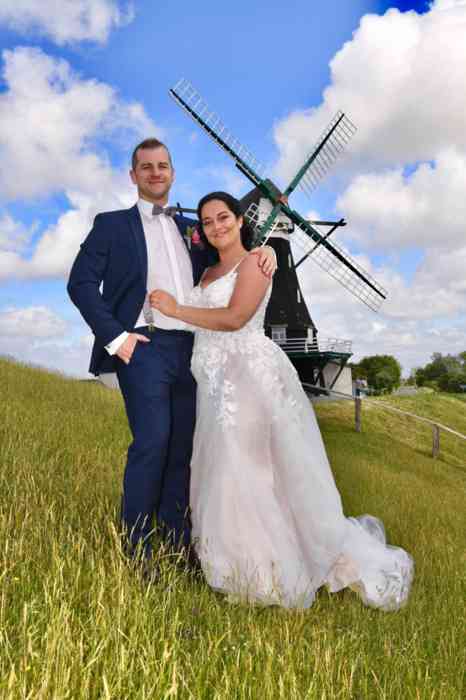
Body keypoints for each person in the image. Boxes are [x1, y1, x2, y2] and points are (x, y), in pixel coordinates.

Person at [149, 191, 414, 610]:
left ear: (241, 219)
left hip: (248, 377)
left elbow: (235, 318)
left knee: (249, 470)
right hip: (216, 384)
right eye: (207, 222)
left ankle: (269, 573)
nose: (216, 226)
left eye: (223, 217)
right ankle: (233, 564)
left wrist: (178, 310)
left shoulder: (258, 260)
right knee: (224, 470)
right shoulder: (206, 273)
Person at [67, 140, 276, 567]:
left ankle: (177, 545)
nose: (155, 172)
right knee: (153, 442)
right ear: (133, 176)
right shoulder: (110, 225)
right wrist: (116, 338)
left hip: (194, 350)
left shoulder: (189, 227)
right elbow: (80, 284)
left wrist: (265, 248)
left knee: (183, 449)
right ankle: (139, 550)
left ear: (173, 172)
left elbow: (228, 250)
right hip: (142, 346)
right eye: (146, 167)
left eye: (163, 165)